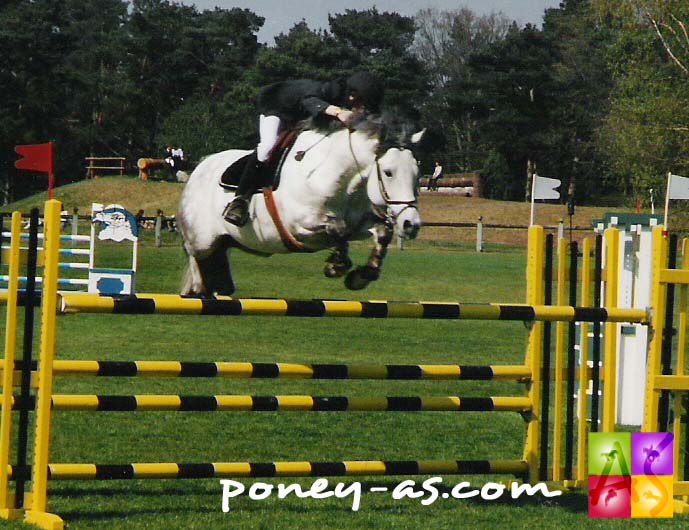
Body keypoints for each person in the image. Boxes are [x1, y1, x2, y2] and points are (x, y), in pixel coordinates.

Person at [222, 71, 385, 226]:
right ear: (353, 95)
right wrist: (338, 112)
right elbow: (309, 101)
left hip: (299, 118)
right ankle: (240, 200)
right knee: (267, 147)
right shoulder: (331, 90)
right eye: (362, 104)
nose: (363, 109)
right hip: (276, 107)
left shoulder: (351, 98)